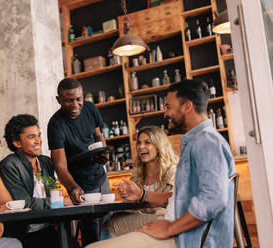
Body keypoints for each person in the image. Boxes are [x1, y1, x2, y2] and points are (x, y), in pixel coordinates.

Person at [86, 79, 236, 248]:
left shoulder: (206, 142)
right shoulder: (196, 141)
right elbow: (181, 197)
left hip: (188, 239)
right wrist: (144, 195)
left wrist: (170, 228)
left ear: (187, 106)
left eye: (168, 107)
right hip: (181, 232)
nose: (165, 114)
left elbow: (212, 200)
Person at [47, 77, 111, 246]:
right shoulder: (56, 124)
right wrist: (73, 187)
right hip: (80, 183)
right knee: (91, 231)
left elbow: (98, 136)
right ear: (58, 100)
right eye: (68, 100)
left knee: (108, 220)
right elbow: (60, 166)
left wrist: (103, 152)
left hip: (100, 176)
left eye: (78, 99)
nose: (75, 105)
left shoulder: (90, 108)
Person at [0, 114, 66, 248]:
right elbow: (25, 204)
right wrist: (62, 202)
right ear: (17, 143)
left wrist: (61, 200)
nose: (38, 140)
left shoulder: (45, 162)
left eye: (38, 135)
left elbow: (53, 191)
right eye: (31, 137)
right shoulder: (9, 165)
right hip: (27, 233)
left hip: (50, 229)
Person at [108, 125, 178, 237]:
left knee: (115, 222)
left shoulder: (172, 172)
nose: (141, 147)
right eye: (139, 143)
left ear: (159, 146)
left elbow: (176, 203)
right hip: (144, 220)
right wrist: (126, 194)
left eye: (147, 142)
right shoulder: (137, 175)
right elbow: (129, 207)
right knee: (116, 218)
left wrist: (141, 195)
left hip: (166, 221)